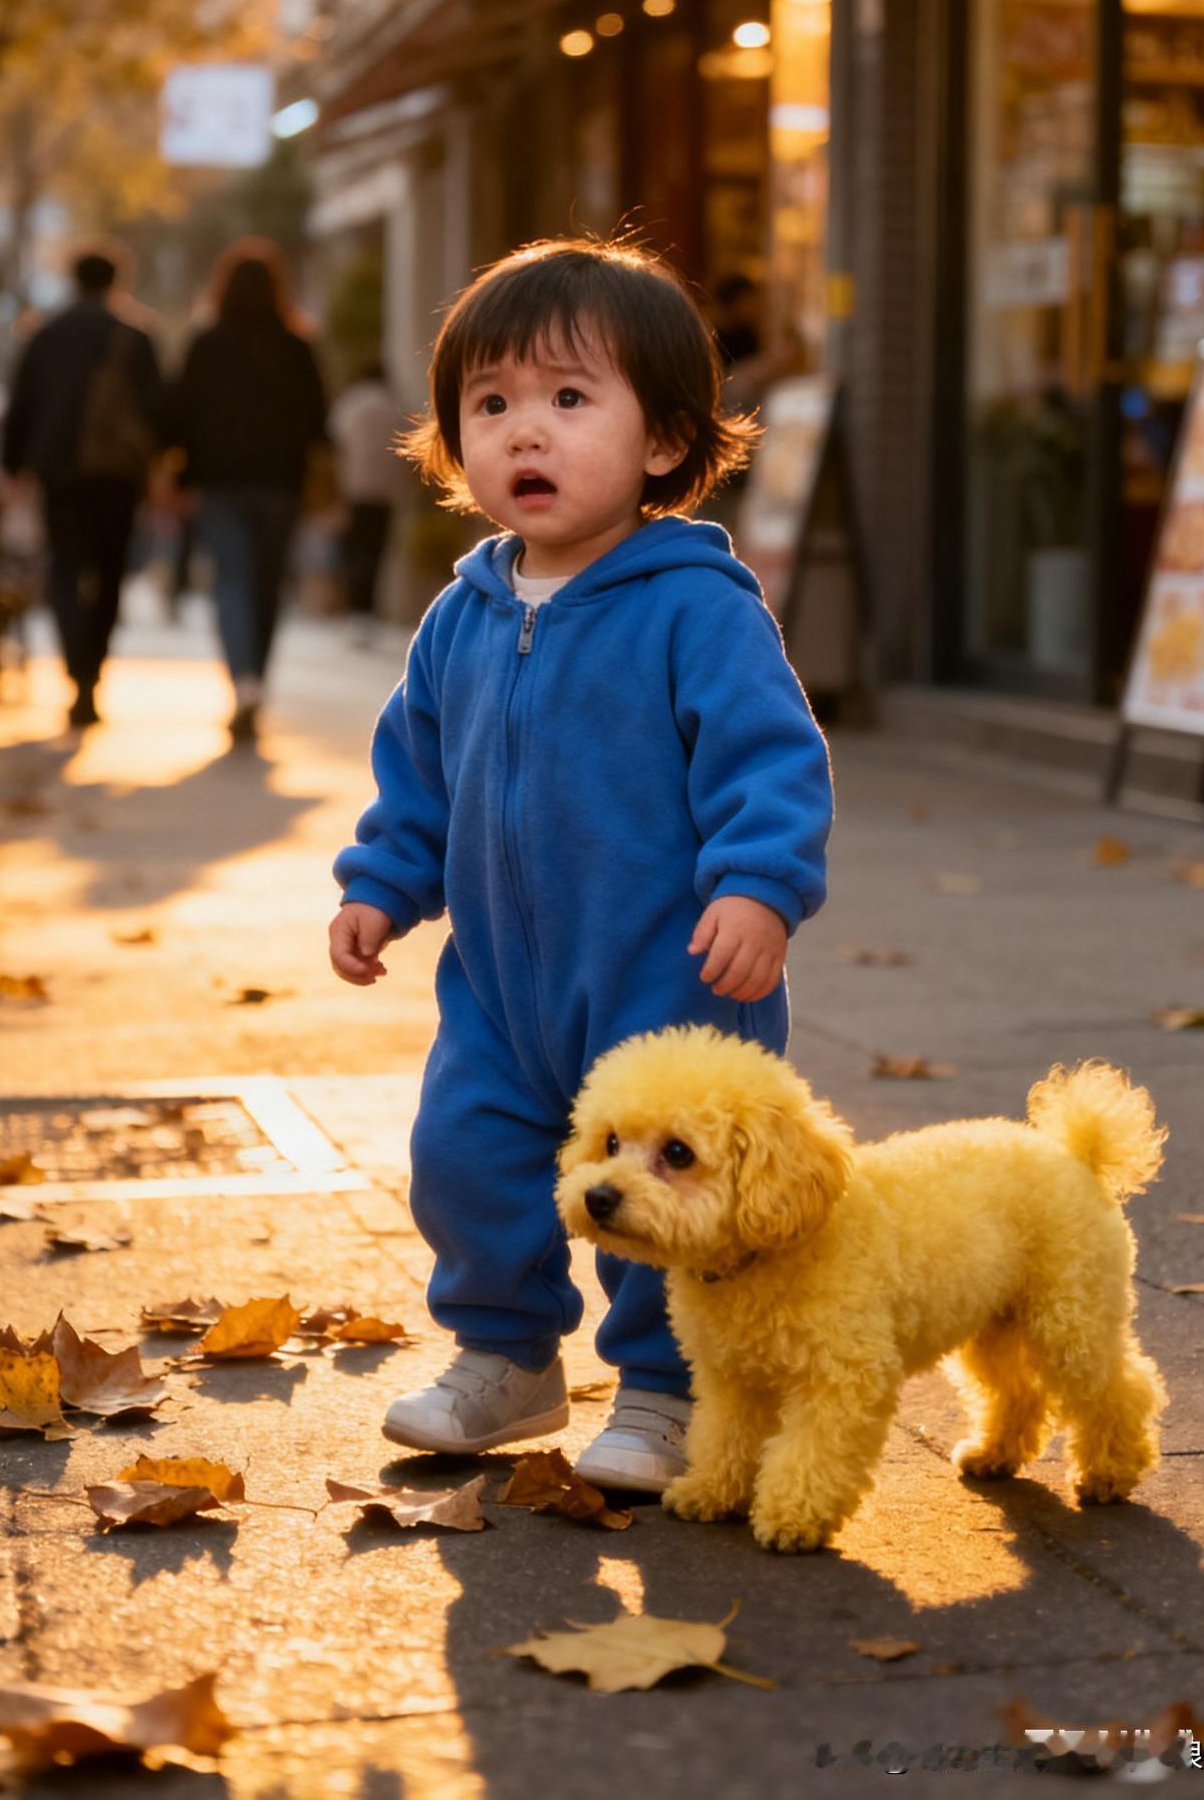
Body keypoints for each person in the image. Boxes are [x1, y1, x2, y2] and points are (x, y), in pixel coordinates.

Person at [328, 238, 833, 1492]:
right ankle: (505, 1359)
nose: (523, 434)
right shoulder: (462, 614)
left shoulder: (693, 607)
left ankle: (670, 1388)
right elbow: (419, 775)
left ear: (661, 441)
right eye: (489, 406)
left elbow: (768, 758)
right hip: (501, 989)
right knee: (463, 1153)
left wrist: (757, 886)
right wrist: (382, 884)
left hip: (666, 974)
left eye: (566, 399)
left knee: (671, 1194)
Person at [170, 239, 327, 744]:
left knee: (232, 582)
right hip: (281, 483)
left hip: (219, 483)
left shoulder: (206, 343)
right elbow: (317, 418)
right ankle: (256, 678)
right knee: (268, 584)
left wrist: (180, 470)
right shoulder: (296, 345)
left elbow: (180, 413)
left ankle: (245, 681)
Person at [1, 246, 165, 728]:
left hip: (60, 472)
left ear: (73, 280)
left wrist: (15, 468)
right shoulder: (135, 336)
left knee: (65, 567)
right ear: (117, 280)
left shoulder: (45, 334)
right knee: (111, 572)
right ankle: (93, 672)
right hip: (118, 475)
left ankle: (77, 668)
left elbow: (21, 404)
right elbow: (157, 409)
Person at [328, 359, 403, 639]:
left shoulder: (351, 403)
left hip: (352, 487)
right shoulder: (392, 406)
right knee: (375, 552)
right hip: (384, 491)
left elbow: (333, 440)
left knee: (353, 551)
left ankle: (354, 611)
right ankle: (367, 612)